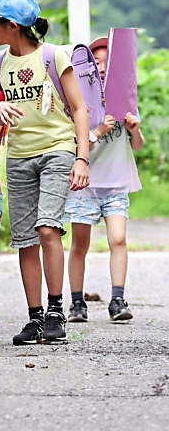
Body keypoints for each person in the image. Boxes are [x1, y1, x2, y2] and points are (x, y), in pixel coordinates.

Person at [0, 0, 90, 345]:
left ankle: (56, 310)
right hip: (19, 157)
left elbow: (79, 109)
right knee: (24, 240)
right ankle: (35, 318)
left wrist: (81, 157)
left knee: (48, 228)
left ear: (12, 26)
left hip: (57, 150)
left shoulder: (54, 57)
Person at [65, 36, 144, 323]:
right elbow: (76, 144)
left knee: (119, 239)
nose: (100, 67)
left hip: (116, 182)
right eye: (95, 62)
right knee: (80, 243)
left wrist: (134, 128)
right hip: (83, 184)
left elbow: (137, 146)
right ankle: (76, 303)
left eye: (106, 62)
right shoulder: (79, 101)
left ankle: (118, 299)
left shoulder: (125, 100)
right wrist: (97, 130)